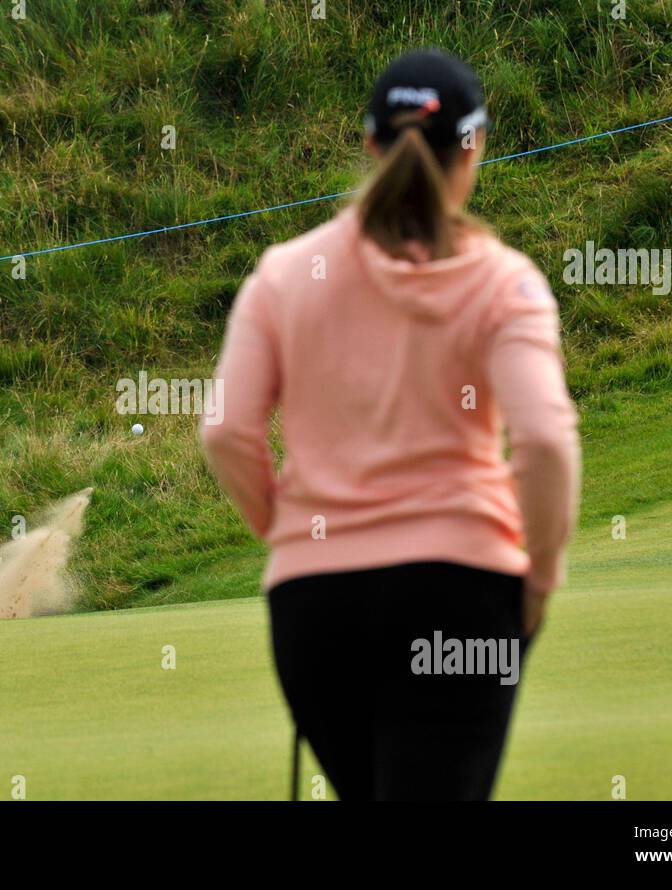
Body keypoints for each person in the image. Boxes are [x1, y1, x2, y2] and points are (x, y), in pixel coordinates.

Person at [200, 48, 581, 800]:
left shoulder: (283, 273)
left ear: (370, 145)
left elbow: (225, 433)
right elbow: (542, 441)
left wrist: (294, 530)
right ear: (474, 147)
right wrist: (542, 574)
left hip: (315, 612)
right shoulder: (505, 282)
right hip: (463, 594)